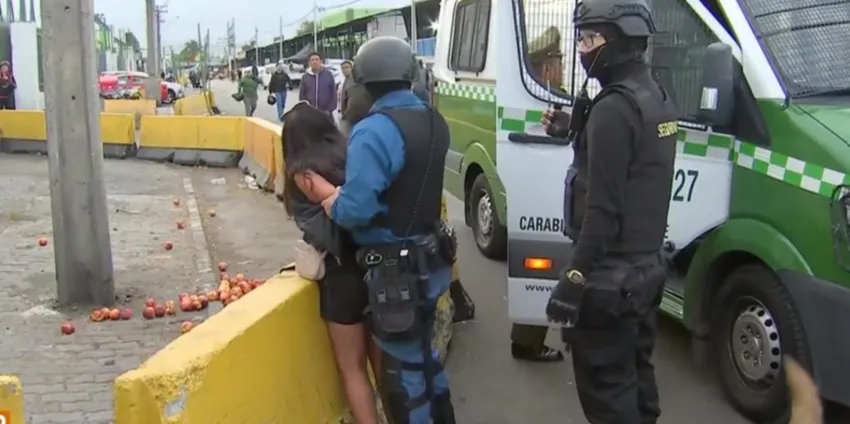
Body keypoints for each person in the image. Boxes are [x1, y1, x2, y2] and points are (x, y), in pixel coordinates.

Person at [305, 36, 456, 424]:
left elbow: (355, 211)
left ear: (364, 83)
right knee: (428, 361)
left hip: (396, 273)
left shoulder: (374, 131)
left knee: (404, 377)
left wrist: (328, 198)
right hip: (432, 260)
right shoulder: (435, 121)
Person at [542, 0, 676, 422]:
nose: (581, 48)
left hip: (610, 280)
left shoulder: (614, 110)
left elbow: (602, 211)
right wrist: (575, 129)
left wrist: (572, 282)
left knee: (607, 396)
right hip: (645, 271)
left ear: (617, 41)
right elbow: (634, 163)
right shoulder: (654, 96)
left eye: (588, 38)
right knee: (636, 379)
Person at [281, 101, 382, 424]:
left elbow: (337, 210)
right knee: (383, 366)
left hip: (343, 277)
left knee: (352, 368)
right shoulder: (352, 154)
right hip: (377, 268)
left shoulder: (304, 174)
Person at [508, 26, 567, 363]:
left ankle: (527, 339)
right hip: (553, 196)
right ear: (547, 68)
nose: (560, 67)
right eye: (558, 61)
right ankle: (528, 342)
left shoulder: (534, 97)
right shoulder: (555, 98)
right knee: (547, 270)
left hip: (537, 192)